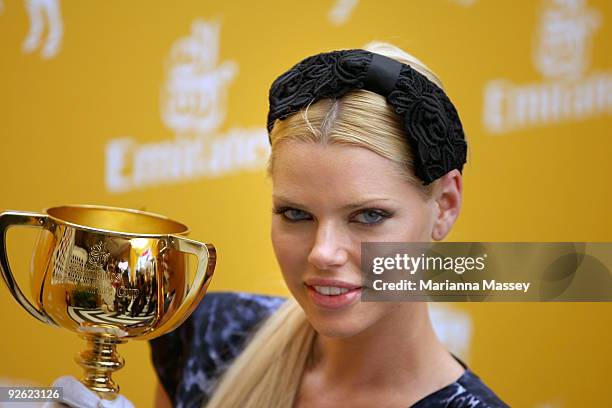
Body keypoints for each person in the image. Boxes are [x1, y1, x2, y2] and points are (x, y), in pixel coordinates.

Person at [52, 42, 509, 407]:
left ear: (445, 205)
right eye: (296, 214)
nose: (323, 253)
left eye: (369, 216)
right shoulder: (208, 338)